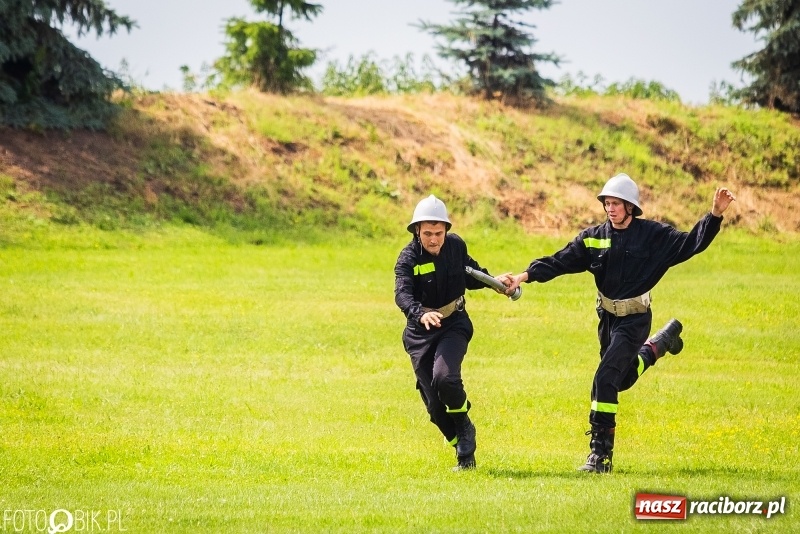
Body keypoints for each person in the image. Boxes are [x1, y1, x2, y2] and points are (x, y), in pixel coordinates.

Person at [501, 173, 736, 473]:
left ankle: (600, 456)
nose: (610, 209)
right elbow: (559, 261)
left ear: (630, 207)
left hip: (635, 320)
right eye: (607, 203)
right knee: (620, 380)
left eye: (616, 204)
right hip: (607, 319)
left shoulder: (652, 236)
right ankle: (658, 346)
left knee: (604, 379)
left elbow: (691, 244)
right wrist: (523, 276)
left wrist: (714, 215)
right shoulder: (594, 237)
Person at [394, 194, 508, 471]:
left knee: (445, 378)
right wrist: (421, 313)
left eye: (439, 233)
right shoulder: (407, 259)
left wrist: (495, 282)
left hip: (454, 324)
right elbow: (402, 294)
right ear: (417, 232)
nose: (434, 239)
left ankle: (465, 439)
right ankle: (461, 443)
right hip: (420, 333)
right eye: (428, 234)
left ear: (446, 230)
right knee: (434, 407)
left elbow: (470, 273)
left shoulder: (455, 247)